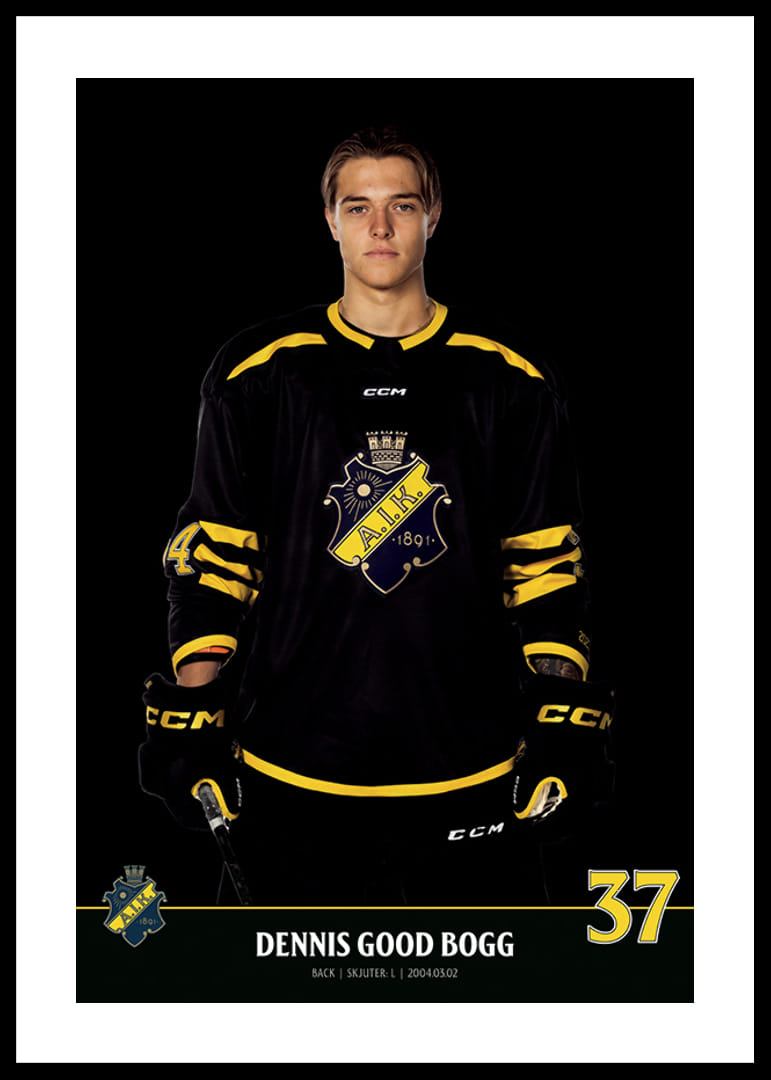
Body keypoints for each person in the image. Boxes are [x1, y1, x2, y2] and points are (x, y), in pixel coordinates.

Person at [138, 126, 615, 906]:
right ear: (330, 220)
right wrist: (196, 713)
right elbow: (215, 563)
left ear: (434, 216)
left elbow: (544, 569)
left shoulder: (511, 376)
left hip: (472, 770)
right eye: (358, 206)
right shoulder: (260, 370)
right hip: (288, 770)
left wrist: (562, 723)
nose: (381, 226)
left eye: (403, 204)